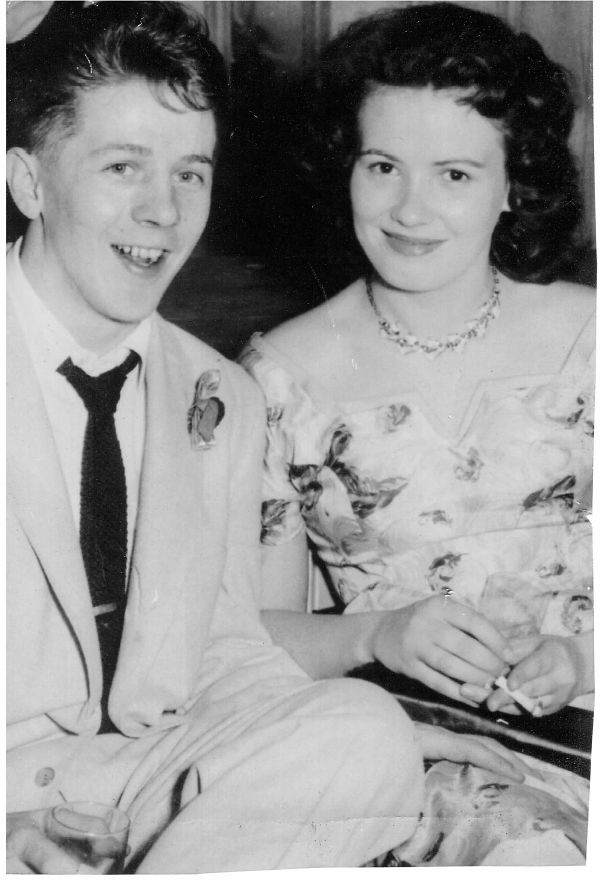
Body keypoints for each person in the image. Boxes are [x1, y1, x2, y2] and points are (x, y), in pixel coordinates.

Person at [6, 0, 496, 874]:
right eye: (124, 166)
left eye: (191, 172)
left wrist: (355, 751)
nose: (164, 209)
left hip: (143, 773)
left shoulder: (219, 393)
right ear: (28, 182)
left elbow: (225, 646)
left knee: (365, 734)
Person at [241, 3, 593, 863]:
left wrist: (582, 659)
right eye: (382, 165)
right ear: (345, 170)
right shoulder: (274, 378)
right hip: (412, 758)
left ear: (515, 182)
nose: (409, 208)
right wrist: (377, 633)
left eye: (456, 174)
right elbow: (252, 636)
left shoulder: (592, 339)